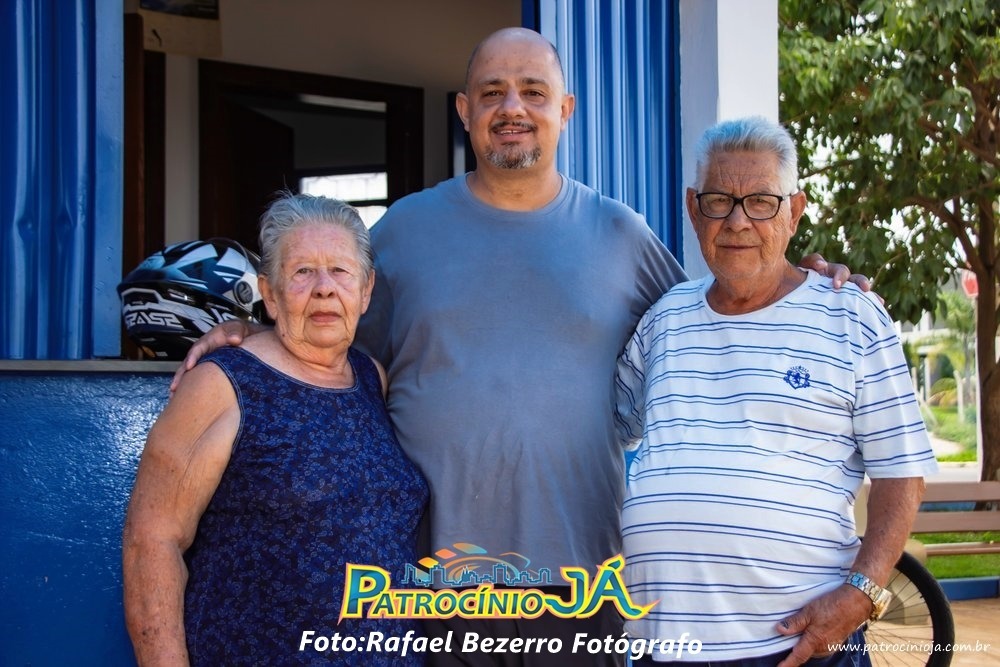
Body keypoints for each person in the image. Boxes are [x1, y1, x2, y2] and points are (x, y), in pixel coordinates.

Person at [172, 29, 866, 667]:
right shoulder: (403, 233)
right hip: (432, 588)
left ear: (565, 110)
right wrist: (255, 336)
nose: (513, 108)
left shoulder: (620, 235)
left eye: (533, 91)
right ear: (464, 110)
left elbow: (718, 315)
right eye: (493, 92)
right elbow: (330, 349)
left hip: (581, 586)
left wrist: (801, 280)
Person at [614, 116, 937, 667]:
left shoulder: (852, 317)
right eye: (719, 201)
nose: (738, 221)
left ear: (794, 211)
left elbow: (901, 473)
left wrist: (863, 594)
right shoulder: (664, 318)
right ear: (693, 209)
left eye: (762, 202)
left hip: (795, 646)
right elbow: (611, 425)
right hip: (659, 644)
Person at [122, 193, 429, 666]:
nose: (324, 288)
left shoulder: (372, 378)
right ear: (269, 292)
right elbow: (152, 541)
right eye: (303, 271)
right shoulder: (223, 382)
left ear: (366, 290)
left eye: (340, 271)